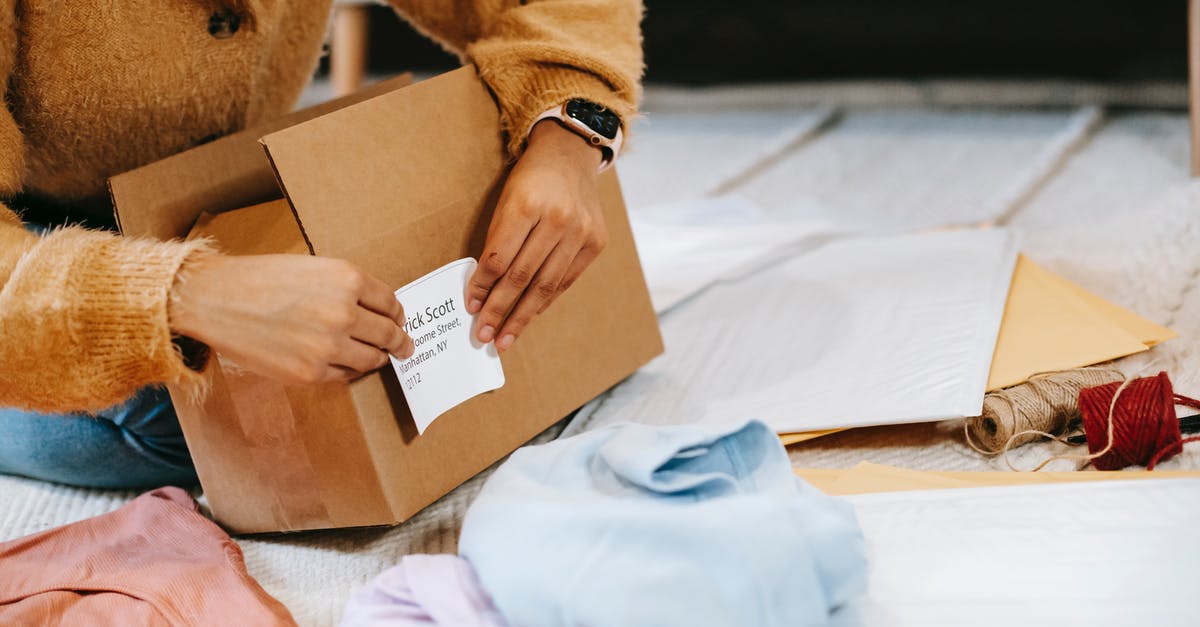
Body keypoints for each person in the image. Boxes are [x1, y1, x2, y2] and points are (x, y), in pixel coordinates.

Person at [0, 1, 643, 489]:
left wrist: (572, 129)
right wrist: (185, 294)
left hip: (203, 202)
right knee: (216, 428)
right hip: (37, 252)